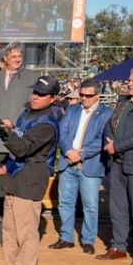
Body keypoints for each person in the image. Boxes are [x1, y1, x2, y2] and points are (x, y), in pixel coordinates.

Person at [0, 76, 60, 265]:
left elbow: (22, 148)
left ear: (53, 99)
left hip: (31, 180)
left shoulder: (47, 124)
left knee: (26, 231)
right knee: (9, 227)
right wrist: (6, 166)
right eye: (34, 91)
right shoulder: (27, 113)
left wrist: (4, 131)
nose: (35, 96)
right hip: (16, 177)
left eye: (41, 94)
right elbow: (17, 149)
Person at [49, 80, 113, 255]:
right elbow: (61, 132)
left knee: (90, 205)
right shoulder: (72, 109)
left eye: (88, 95)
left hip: (90, 165)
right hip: (68, 162)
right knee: (65, 203)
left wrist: (79, 155)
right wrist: (69, 151)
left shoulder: (107, 113)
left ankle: (88, 240)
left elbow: (101, 139)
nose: (84, 98)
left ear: (98, 95)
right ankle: (66, 237)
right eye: (82, 94)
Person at [98, 66, 133, 265]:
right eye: (129, 80)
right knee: (117, 208)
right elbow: (109, 125)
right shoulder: (122, 103)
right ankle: (118, 247)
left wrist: (117, 145)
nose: (129, 83)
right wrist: (110, 143)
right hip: (116, 164)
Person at [0, 42, 41, 202]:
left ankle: (16, 215)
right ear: (6, 58)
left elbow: (32, 105)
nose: (17, 59)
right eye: (13, 56)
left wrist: (15, 123)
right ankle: (2, 215)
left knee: (18, 179)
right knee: (0, 180)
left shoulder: (32, 77)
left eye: (20, 56)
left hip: (20, 137)